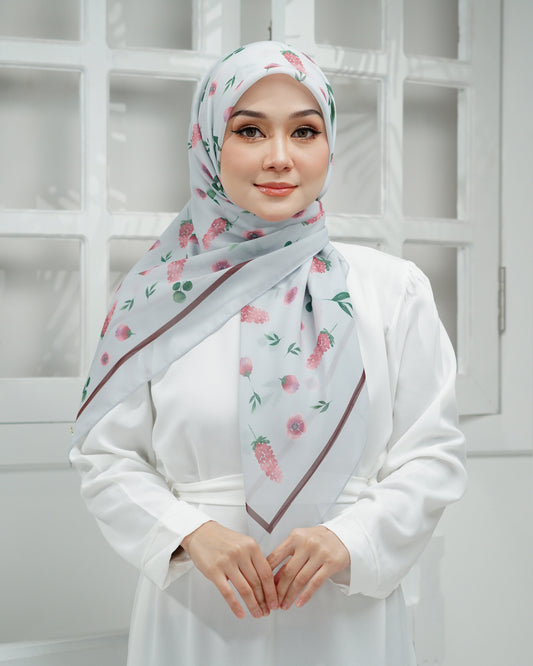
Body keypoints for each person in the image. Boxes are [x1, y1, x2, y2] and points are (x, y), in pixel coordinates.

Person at [70, 41, 466, 666]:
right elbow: (105, 456)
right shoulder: (153, 298)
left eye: (304, 131)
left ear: (329, 144)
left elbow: (431, 453)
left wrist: (351, 538)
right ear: (207, 142)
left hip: (347, 610)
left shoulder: (393, 290)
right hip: (200, 611)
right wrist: (189, 533)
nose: (280, 157)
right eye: (250, 130)